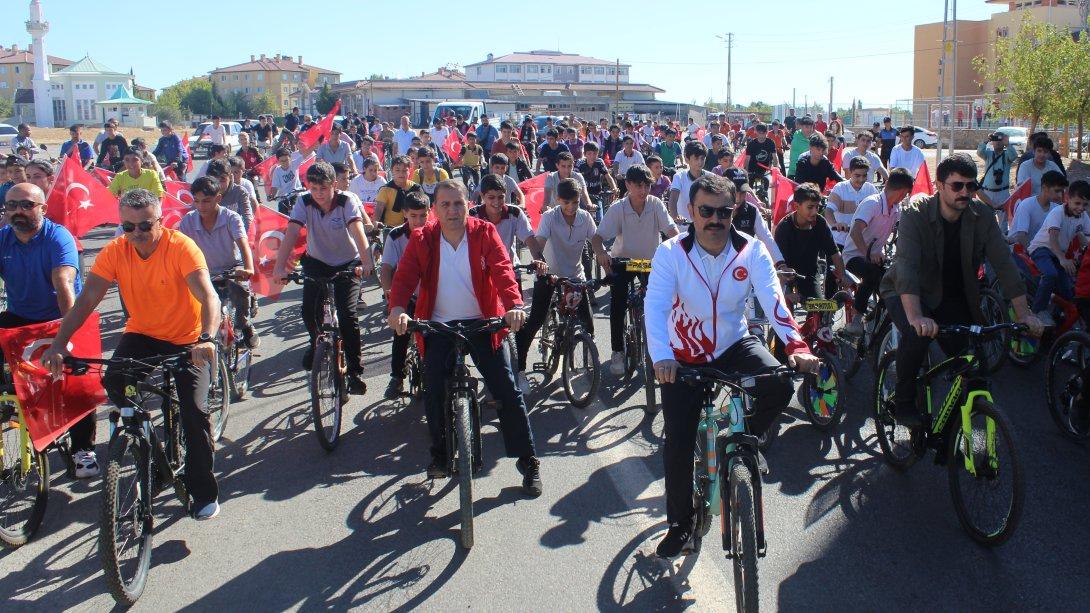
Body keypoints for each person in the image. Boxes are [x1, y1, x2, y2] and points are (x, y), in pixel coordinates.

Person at [645, 174, 818, 558]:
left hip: (733, 343)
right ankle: (681, 524)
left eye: (724, 212)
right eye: (706, 211)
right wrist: (662, 358)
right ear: (690, 212)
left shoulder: (751, 250)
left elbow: (774, 301)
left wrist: (796, 345)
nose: (715, 220)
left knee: (778, 383)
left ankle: (744, 441)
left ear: (733, 212)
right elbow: (655, 308)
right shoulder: (671, 253)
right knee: (678, 441)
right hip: (682, 354)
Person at [42, 188, 224, 520]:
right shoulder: (115, 251)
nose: (136, 234)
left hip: (188, 340)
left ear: (160, 220)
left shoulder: (181, 247)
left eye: (144, 226)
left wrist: (207, 339)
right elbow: (87, 300)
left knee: (194, 414)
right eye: (128, 227)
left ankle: (202, 491)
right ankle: (143, 438)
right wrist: (59, 343)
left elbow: (210, 296)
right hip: (142, 334)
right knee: (115, 381)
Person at [388, 180, 542, 495]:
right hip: (440, 326)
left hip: (483, 323)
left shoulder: (484, 232)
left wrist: (513, 306)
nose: (452, 211)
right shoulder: (422, 239)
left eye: (458, 203)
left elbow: (502, 270)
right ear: (435, 210)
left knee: (507, 391)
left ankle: (529, 462)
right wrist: (398, 309)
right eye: (444, 205)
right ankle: (441, 456)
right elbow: (404, 278)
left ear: (466, 204)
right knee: (433, 391)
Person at [878, 154, 1043, 428]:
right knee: (915, 336)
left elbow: (1004, 264)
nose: (965, 192)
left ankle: (958, 426)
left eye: (971, 186)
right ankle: (904, 401)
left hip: (951, 294)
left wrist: (1024, 314)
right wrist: (917, 317)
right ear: (939, 185)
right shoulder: (914, 215)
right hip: (908, 292)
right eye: (957, 186)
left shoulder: (983, 217)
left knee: (969, 362)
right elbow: (906, 269)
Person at [1, 183, 88, 475]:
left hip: (61, 317)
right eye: (11, 205)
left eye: (26, 205)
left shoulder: (58, 237)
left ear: (42, 209)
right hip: (20, 316)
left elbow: (63, 285)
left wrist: (65, 339)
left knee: (75, 381)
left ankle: (83, 450)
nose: (18, 211)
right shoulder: (3, 239)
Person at [272, 162, 374, 394]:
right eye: (314, 188)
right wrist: (280, 267)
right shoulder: (303, 202)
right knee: (309, 311)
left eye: (324, 189)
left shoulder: (347, 201)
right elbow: (291, 234)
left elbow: (358, 232)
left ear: (334, 185)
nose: (319, 194)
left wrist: (366, 262)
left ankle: (355, 371)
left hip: (347, 262)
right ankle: (315, 342)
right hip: (317, 262)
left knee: (347, 315)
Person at [592, 165, 679, 375]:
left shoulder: (655, 204)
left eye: (647, 185)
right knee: (618, 303)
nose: (643, 190)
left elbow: (670, 230)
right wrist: (602, 253)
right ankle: (617, 351)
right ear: (628, 185)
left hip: (650, 262)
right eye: (639, 185)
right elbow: (597, 238)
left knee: (664, 303)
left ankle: (668, 348)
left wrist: (680, 249)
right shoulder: (618, 208)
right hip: (624, 261)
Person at [514, 178, 595, 390]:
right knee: (535, 321)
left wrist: (604, 254)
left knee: (587, 323)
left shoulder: (585, 218)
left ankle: (588, 362)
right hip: (549, 275)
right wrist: (538, 260)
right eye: (566, 202)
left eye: (575, 203)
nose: (571, 207)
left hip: (575, 276)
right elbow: (539, 241)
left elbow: (596, 240)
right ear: (558, 199)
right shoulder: (550, 217)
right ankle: (519, 370)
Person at [179, 176, 259, 349]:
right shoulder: (187, 221)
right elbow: (181, 250)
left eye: (206, 201)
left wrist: (248, 268)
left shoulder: (231, 217)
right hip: (203, 271)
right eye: (197, 201)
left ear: (218, 198)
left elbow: (243, 244)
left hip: (231, 268)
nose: (201, 206)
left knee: (240, 289)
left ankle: (244, 324)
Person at [840, 168, 914, 335]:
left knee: (894, 281)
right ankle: (857, 317)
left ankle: (876, 318)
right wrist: (869, 253)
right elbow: (855, 232)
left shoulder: (896, 209)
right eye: (906, 194)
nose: (905, 197)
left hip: (874, 258)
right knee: (872, 273)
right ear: (903, 192)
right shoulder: (872, 203)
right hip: (853, 257)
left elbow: (902, 233)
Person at [379, 188, 432, 399]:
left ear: (429, 212)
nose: (418, 221)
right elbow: (386, 268)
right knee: (401, 335)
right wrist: (389, 293)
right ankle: (397, 377)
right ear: (405, 214)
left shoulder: (437, 232)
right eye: (413, 216)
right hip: (408, 296)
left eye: (423, 216)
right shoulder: (396, 236)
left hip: (432, 296)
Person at [1025, 184, 1090, 326]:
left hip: (1058, 254)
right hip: (1042, 249)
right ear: (1067, 198)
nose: (1081, 207)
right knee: (1050, 274)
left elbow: (1086, 238)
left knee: (1068, 290)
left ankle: (1057, 316)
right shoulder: (1057, 212)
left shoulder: (1083, 216)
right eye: (1077, 203)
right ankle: (1038, 310)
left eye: (1085, 204)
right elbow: (1053, 238)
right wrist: (1062, 259)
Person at [774, 182, 846, 304]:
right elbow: (776, 262)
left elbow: (834, 253)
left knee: (819, 306)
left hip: (810, 272)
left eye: (817, 207)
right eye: (810, 207)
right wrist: (785, 293)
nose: (814, 212)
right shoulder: (784, 228)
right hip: (785, 274)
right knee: (783, 309)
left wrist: (843, 276)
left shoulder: (820, 223)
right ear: (797, 206)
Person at [826, 157, 880, 248]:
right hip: (841, 242)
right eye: (857, 176)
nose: (861, 179)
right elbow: (828, 211)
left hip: (863, 242)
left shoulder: (871, 189)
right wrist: (835, 224)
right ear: (850, 172)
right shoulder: (840, 188)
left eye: (864, 175)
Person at [1008, 170, 1066, 251]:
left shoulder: (1056, 208)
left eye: (1061, 191)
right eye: (1057, 191)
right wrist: (1035, 256)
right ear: (1044, 188)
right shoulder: (1027, 205)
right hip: (1018, 250)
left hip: (1041, 251)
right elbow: (1021, 236)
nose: (1060, 195)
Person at [975, 131, 1018, 230]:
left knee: (1003, 221)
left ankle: (1002, 241)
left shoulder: (1006, 155)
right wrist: (987, 140)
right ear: (992, 142)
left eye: (1000, 140)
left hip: (1002, 193)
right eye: (995, 140)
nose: (997, 142)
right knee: (986, 219)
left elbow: (1014, 156)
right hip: (987, 193)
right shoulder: (988, 155)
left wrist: (1007, 144)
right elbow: (979, 152)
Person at [373, 156, 422, 227]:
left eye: (405, 170)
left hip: (412, 227)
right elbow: (379, 208)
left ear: (409, 171)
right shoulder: (385, 189)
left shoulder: (415, 188)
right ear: (392, 170)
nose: (401, 173)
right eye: (397, 170)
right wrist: (376, 223)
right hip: (390, 228)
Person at [206, 159, 254, 232]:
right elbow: (193, 218)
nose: (218, 185)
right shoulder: (203, 192)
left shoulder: (240, 192)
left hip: (233, 235)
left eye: (222, 180)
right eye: (214, 181)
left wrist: (248, 238)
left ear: (231, 177)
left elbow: (248, 219)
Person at [576, 141, 617, 208]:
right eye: (589, 154)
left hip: (597, 195)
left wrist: (614, 188)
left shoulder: (599, 162)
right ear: (584, 154)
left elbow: (608, 176)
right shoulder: (579, 163)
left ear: (598, 154)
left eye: (595, 153)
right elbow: (575, 180)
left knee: (600, 217)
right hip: (583, 196)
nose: (592, 156)